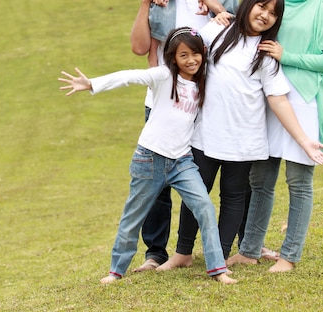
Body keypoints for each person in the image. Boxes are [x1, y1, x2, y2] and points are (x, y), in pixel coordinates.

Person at [157, 0, 323, 273]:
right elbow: (187, 56)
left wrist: (305, 141)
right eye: (261, 6)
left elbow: (278, 100)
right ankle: (182, 253)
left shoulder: (265, 53)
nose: (265, 15)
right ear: (249, 3)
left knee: (233, 197)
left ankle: (220, 257)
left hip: (243, 141)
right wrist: (216, 14)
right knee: (195, 193)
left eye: (273, 14)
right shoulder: (218, 31)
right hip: (206, 135)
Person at [58, 27, 237, 284]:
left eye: (195, 54)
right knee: (133, 216)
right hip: (150, 159)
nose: (191, 60)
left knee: (205, 208)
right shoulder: (164, 76)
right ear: (173, 58)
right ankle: (115, 271)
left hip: (182, 162)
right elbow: (131, 76)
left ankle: (218, 269)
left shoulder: (202, 81)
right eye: (183, 55)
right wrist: (92, 84)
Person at [228, 0, 323, 273]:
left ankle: (290, 255)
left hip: (303, 101)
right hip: (269, 99)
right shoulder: (275, 1)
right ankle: (249, 249)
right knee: (260, 179)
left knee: (298, 180)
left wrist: (288, 56)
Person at [130, 0, 239, 272]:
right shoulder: (161, 0)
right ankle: (155, 252)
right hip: (163, 102)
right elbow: (138, 48)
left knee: (208, 175)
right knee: (156, 180)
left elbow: (242, 37)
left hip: (207, 102)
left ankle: (221, 246)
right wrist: (145, 2)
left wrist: (218, 7)